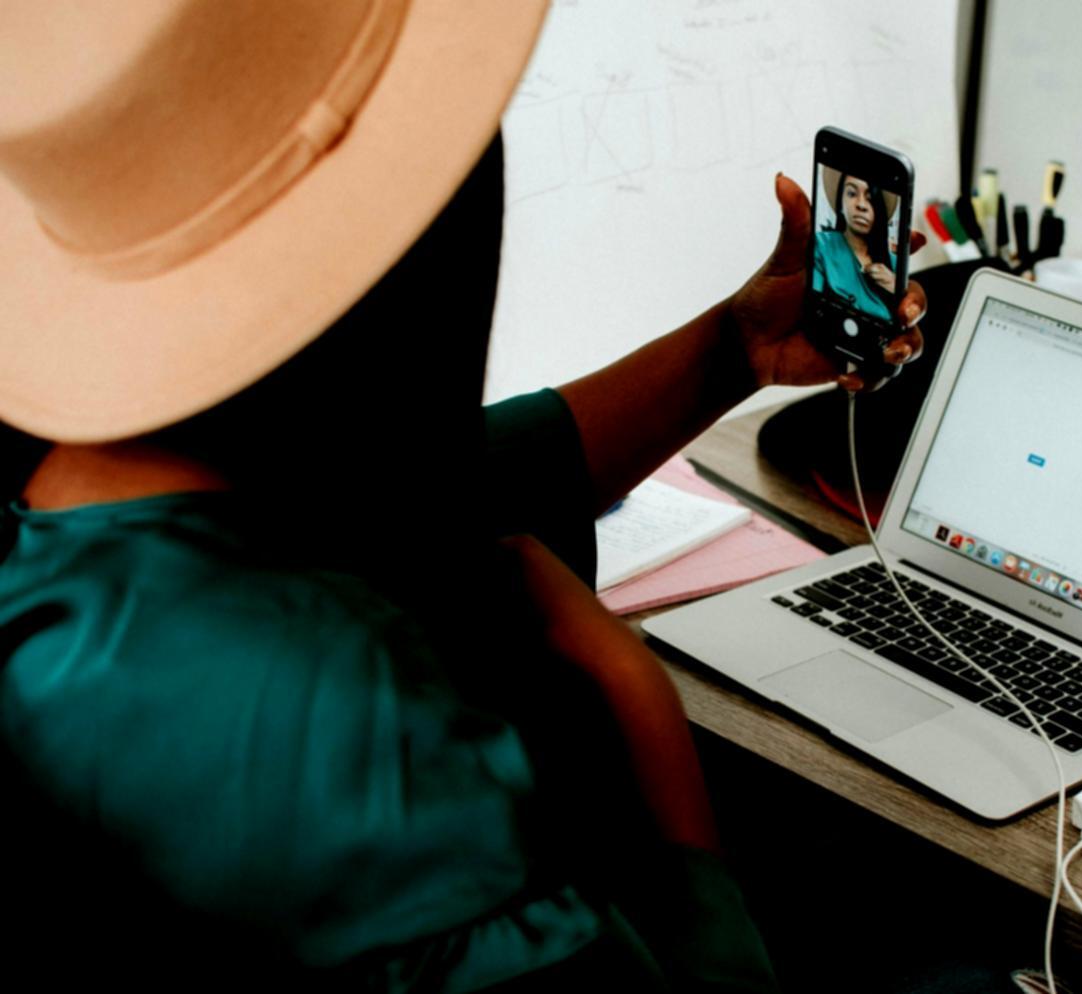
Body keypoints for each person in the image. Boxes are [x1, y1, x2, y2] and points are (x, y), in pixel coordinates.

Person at [0, 2, 925, 990]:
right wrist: (636, 702)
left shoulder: (93, 492)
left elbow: (449, 479)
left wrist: (727, 350)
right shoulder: (355, 741)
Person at [813, 170, 900, 322]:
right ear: (840, 203)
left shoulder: (894, 264)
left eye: (870, 198)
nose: (861, 205)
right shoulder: (821, 245)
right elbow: (812, 306)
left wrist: (894, 287)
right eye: (852, 194)